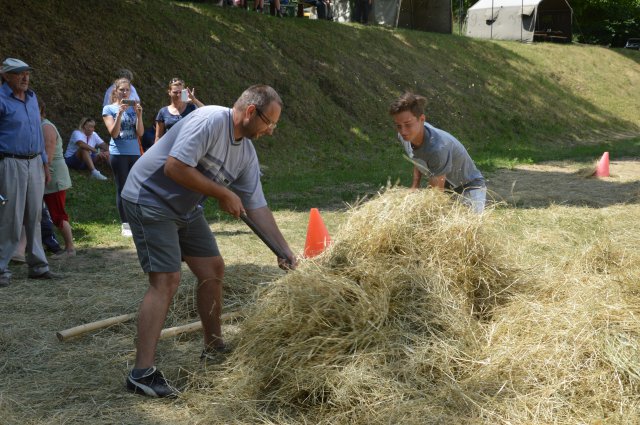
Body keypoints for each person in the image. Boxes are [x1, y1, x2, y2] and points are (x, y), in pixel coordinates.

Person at [121, 84, 297, 398]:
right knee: (166, 279)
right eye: (269, 122)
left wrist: (284, 251)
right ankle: (141, 373)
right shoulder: (210, 120)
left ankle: (213, 347)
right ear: (250, 111)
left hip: (184, 207)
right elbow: (174, 167)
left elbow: (257, 206)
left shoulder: (245, 153)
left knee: (213, 269)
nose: (271, 131)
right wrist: (222, 192)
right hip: (148, 198)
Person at [0, 58, 60, 287]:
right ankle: (1, 269)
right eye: (18, 74)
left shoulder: (32, 98)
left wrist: (45, 164)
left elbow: (36, 133)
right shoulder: (1, 100)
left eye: (27, 73)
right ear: (6, 76)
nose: (25, 78)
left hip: (34, 162)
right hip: (10, 163)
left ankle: (38, 266)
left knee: (35, 214)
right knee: (9, 217)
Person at [389, 92, 486, 214]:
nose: (403, 131)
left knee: (462, 231)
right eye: (398, 126)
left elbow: (435, 197)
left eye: (408, 124)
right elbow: (418, 157)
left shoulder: (437, 149)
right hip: (447, 190)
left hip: (469, 190)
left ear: (422, 119)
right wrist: (415, 185)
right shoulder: (407, 135)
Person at [102, 78, 144, 237]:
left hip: (135, 153)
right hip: (118, 154)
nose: (125, 92)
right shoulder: (108, 109)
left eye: (127, 90)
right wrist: (119, 113)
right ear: (116, 91)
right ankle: (125, 224)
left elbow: (139, 133)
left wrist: (139, 115)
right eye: (122, 90)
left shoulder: (134, 109)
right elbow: (114, 133)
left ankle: (137, 219)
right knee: (123, 188)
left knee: (137, 187)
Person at [41, 101, 76, 257]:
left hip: (54, 177)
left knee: (58, 215)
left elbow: (47, 157)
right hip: (49, 176)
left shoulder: (46, 127)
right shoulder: (41, 126)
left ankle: (70, 248)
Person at [154, 78, 204, 143]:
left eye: (180, 92)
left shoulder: (191, 107)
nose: (178, 95)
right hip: (169, 148)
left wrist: (195, 100)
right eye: (175, 92)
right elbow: (158, 137)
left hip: (188, 147)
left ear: (184, 92)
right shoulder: (163, 111)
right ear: (169, 92)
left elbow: (207, 113)